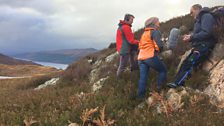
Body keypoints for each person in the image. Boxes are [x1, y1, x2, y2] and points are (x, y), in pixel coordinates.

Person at [167, 4, 216, 88]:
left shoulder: (206, 16)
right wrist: (190, 38)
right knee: (185, 62)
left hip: (204, 45)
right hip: (199, 46)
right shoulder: (199, 20)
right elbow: (199, 34)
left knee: (190, 63)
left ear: (197, 10)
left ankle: (178, 84)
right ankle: (176, 82)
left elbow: (207, 32)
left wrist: (192, 37)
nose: (191, 14)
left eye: (191, 12)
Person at [137, 17, 167, 98]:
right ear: (154, 23)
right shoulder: (155, 32)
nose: (159, 23)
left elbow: (140, 46)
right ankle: (159, 90)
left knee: (143, 77)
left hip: (140, 58)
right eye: (158, 22)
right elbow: (159, 45)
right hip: (150, 57)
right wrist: (160, 50)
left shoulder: (144, 33)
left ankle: (140, 97)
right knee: (163, 70)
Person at [116, 14, 139, 78]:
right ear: (127, 19)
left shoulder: (121, 26)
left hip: (123, 48)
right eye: (131, 19)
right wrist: (139, 42)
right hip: (124, 49)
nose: (132, 21)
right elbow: (131, 41)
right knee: (122, 66)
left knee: (130, 62)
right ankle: (118, 80)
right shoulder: (126, 27)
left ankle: (133, 74)